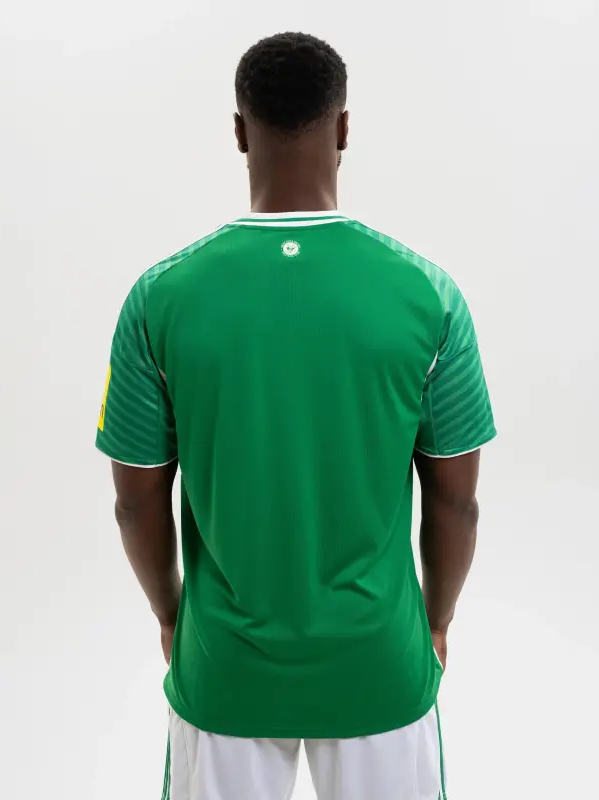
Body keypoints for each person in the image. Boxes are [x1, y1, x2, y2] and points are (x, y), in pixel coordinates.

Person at [96, 31, 496, 800]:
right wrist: (436, 622)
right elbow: (457, 501)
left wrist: (174, 617)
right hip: (379, 664)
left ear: (239, 132)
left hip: (226, 668)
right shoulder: (429, 296)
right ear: (343, 129)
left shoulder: (159, 300)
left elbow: (134, 500)